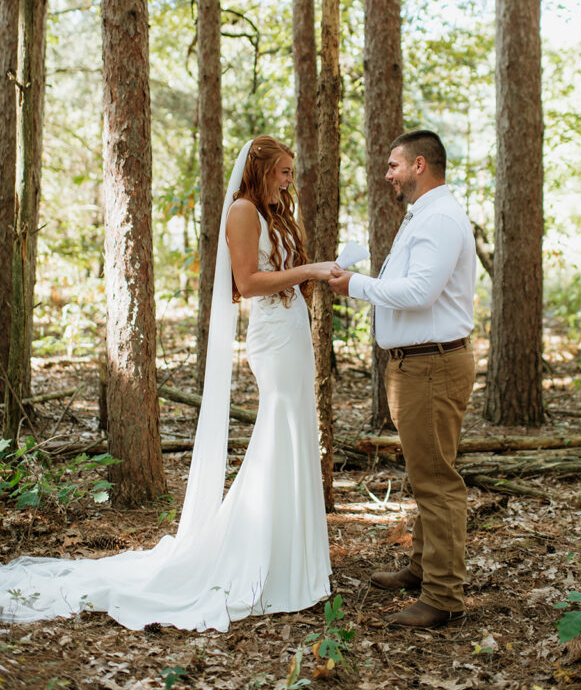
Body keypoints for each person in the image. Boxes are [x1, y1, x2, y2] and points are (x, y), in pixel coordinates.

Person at [0, 136, 334, 631]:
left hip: (292, 330)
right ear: (261, 170)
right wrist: (309, 270)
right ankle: (262, 555)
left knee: (297, 431)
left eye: (290, 172)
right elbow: (245, 282)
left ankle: (295, 557)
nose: (289, 180)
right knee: (278, 432)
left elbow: (282, 273)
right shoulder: (243, 211)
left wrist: (312, 275)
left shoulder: (276, 212)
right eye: (283, 171)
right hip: (272, 338)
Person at [329, 130, 477, 630]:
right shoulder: (425, 216)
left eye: (394, 165)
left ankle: (443, 597)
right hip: (418, 365)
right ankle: (423, 569)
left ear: (419, 165)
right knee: (427, 472)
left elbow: (419, 292)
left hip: (432, 366)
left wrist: (354, 285)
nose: (387, 174)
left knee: (436, 481)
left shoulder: (439, 218)